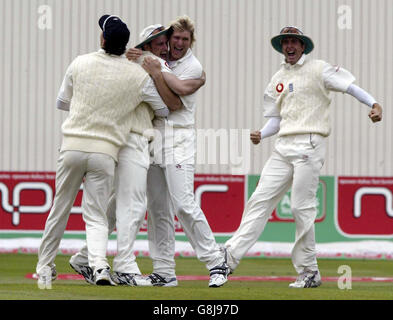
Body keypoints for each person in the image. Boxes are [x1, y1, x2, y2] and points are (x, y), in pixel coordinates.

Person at [224, 26, 383, 288]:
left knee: (301, 207)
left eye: (294, 42)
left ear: (303, 47)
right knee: (259, 199)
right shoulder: (277, 78)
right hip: (282, 145)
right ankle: (227, 259)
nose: (289, 46)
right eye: (285, 42)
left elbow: (350, 87)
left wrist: (374, 104)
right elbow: (276, 121)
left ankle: (309, 271)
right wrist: (261, 134)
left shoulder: (319, 69)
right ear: (281, 47)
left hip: (310, 142)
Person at [35, 15, 169, 289]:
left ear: (103, 39)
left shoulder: (80, 62)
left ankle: (44, 269)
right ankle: (99, 268)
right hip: (105, 152)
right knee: (95, 215)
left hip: (72, 145)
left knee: (59, 209)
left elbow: (62, 102)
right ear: (125, 45)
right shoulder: (137, 75)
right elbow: (164, 109)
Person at [68, 24, 206, 286]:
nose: (165, 48)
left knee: (117, 205)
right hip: (134, 139)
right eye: (158, 44)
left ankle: (86, 257)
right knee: (133, 205)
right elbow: (172, 105)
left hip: (130, 140)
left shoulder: (147, 66)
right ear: (144, 47)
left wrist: (184, 77)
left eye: (165, 43)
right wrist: (189, 79)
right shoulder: (141, 69)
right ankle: (123, 266)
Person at [132, 16, 230, 288]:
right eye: (174, 38)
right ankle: (164, 272)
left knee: (184, 203)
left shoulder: (191, 65)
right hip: (154, 138)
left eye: (184, 40)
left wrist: (156, 71)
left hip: (179, 138)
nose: (178, 43)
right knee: (158, 208)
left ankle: (216, 261)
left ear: (191, 42)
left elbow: (174, 101)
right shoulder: (160, 59)